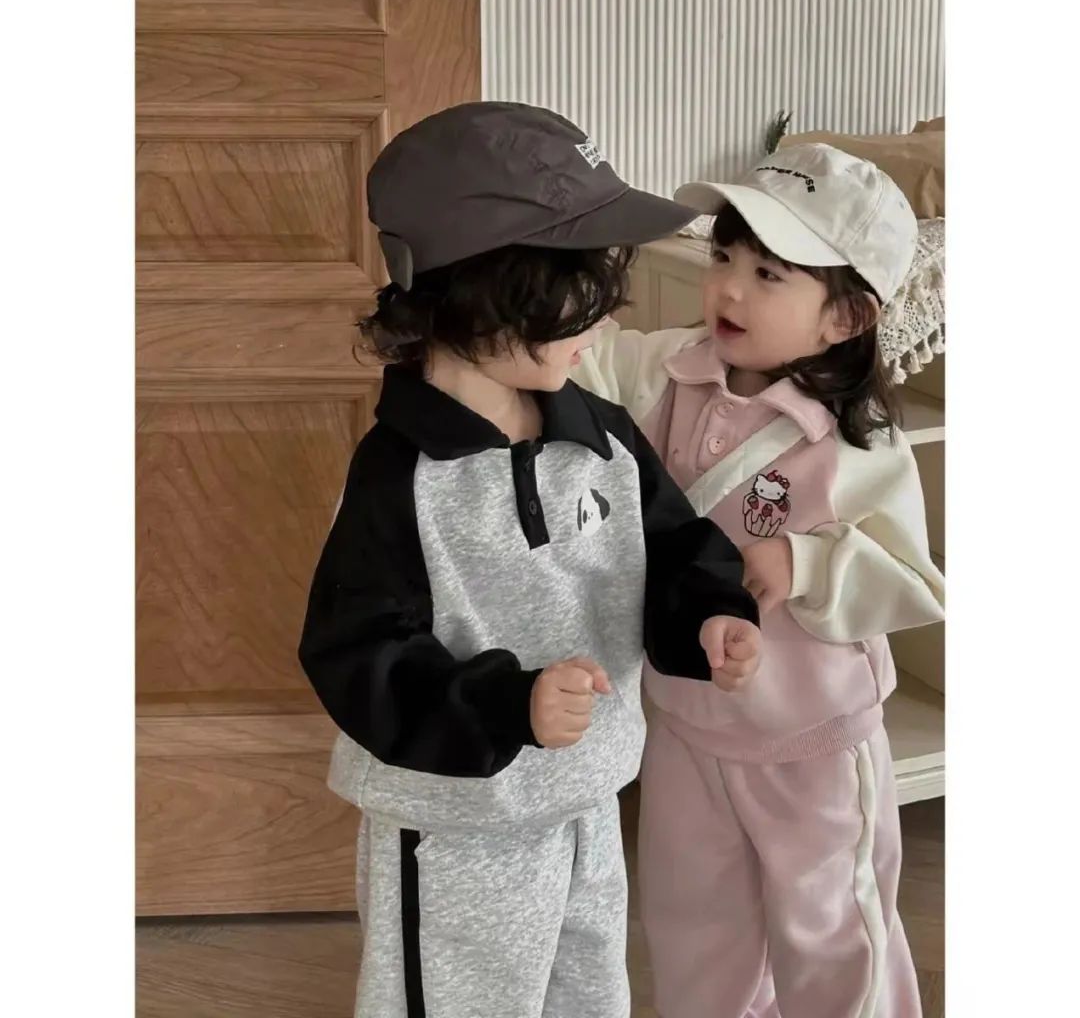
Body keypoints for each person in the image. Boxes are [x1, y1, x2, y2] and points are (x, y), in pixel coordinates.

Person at [297, 101, 762, 1018]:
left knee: (588, 995)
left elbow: (672, 545)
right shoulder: (402, 479)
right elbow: (358, 652)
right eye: (575, 299)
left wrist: (710, 615)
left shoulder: (601, 437)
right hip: (458, 826)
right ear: (481, 293)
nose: (601, 324)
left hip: (587, 799)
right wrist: (508, 705)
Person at [574, 143, 946, 1018]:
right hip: (686, 723)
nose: (729, 290)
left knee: (833, 932)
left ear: (845, 317)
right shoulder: (670, 369)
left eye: (769, 274)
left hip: (811, 739)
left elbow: (911, 581)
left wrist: (805, 562)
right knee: (694, 925)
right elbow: (588, 360)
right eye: (725, 258)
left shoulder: (857, 446)